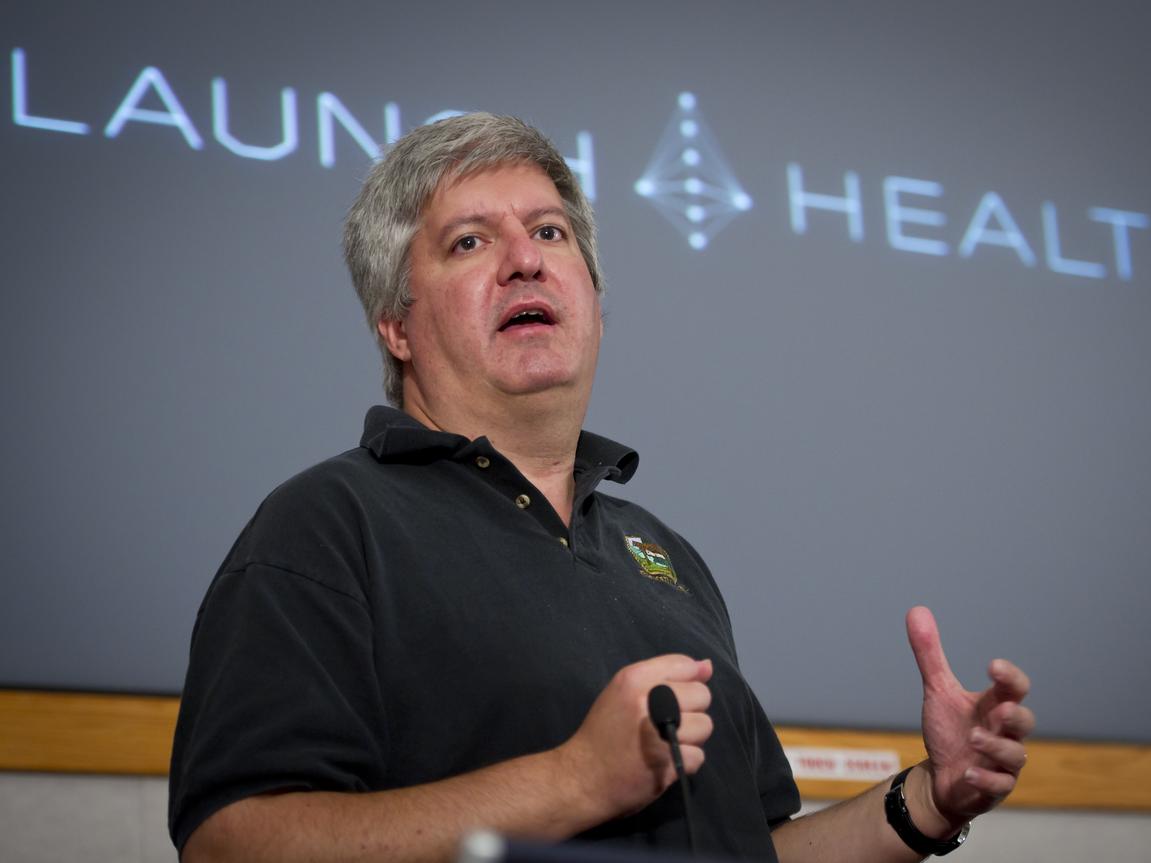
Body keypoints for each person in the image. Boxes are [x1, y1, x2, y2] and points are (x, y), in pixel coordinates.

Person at [169, 113, 1034, 863]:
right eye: (470, 241)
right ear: (397, 325)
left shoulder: (663, 555)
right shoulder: (326, 527)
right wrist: (570, 781)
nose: (525, 262)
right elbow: (232, 842)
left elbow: (750, 848)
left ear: (593, 296)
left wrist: (926, 801)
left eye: (550, 233)